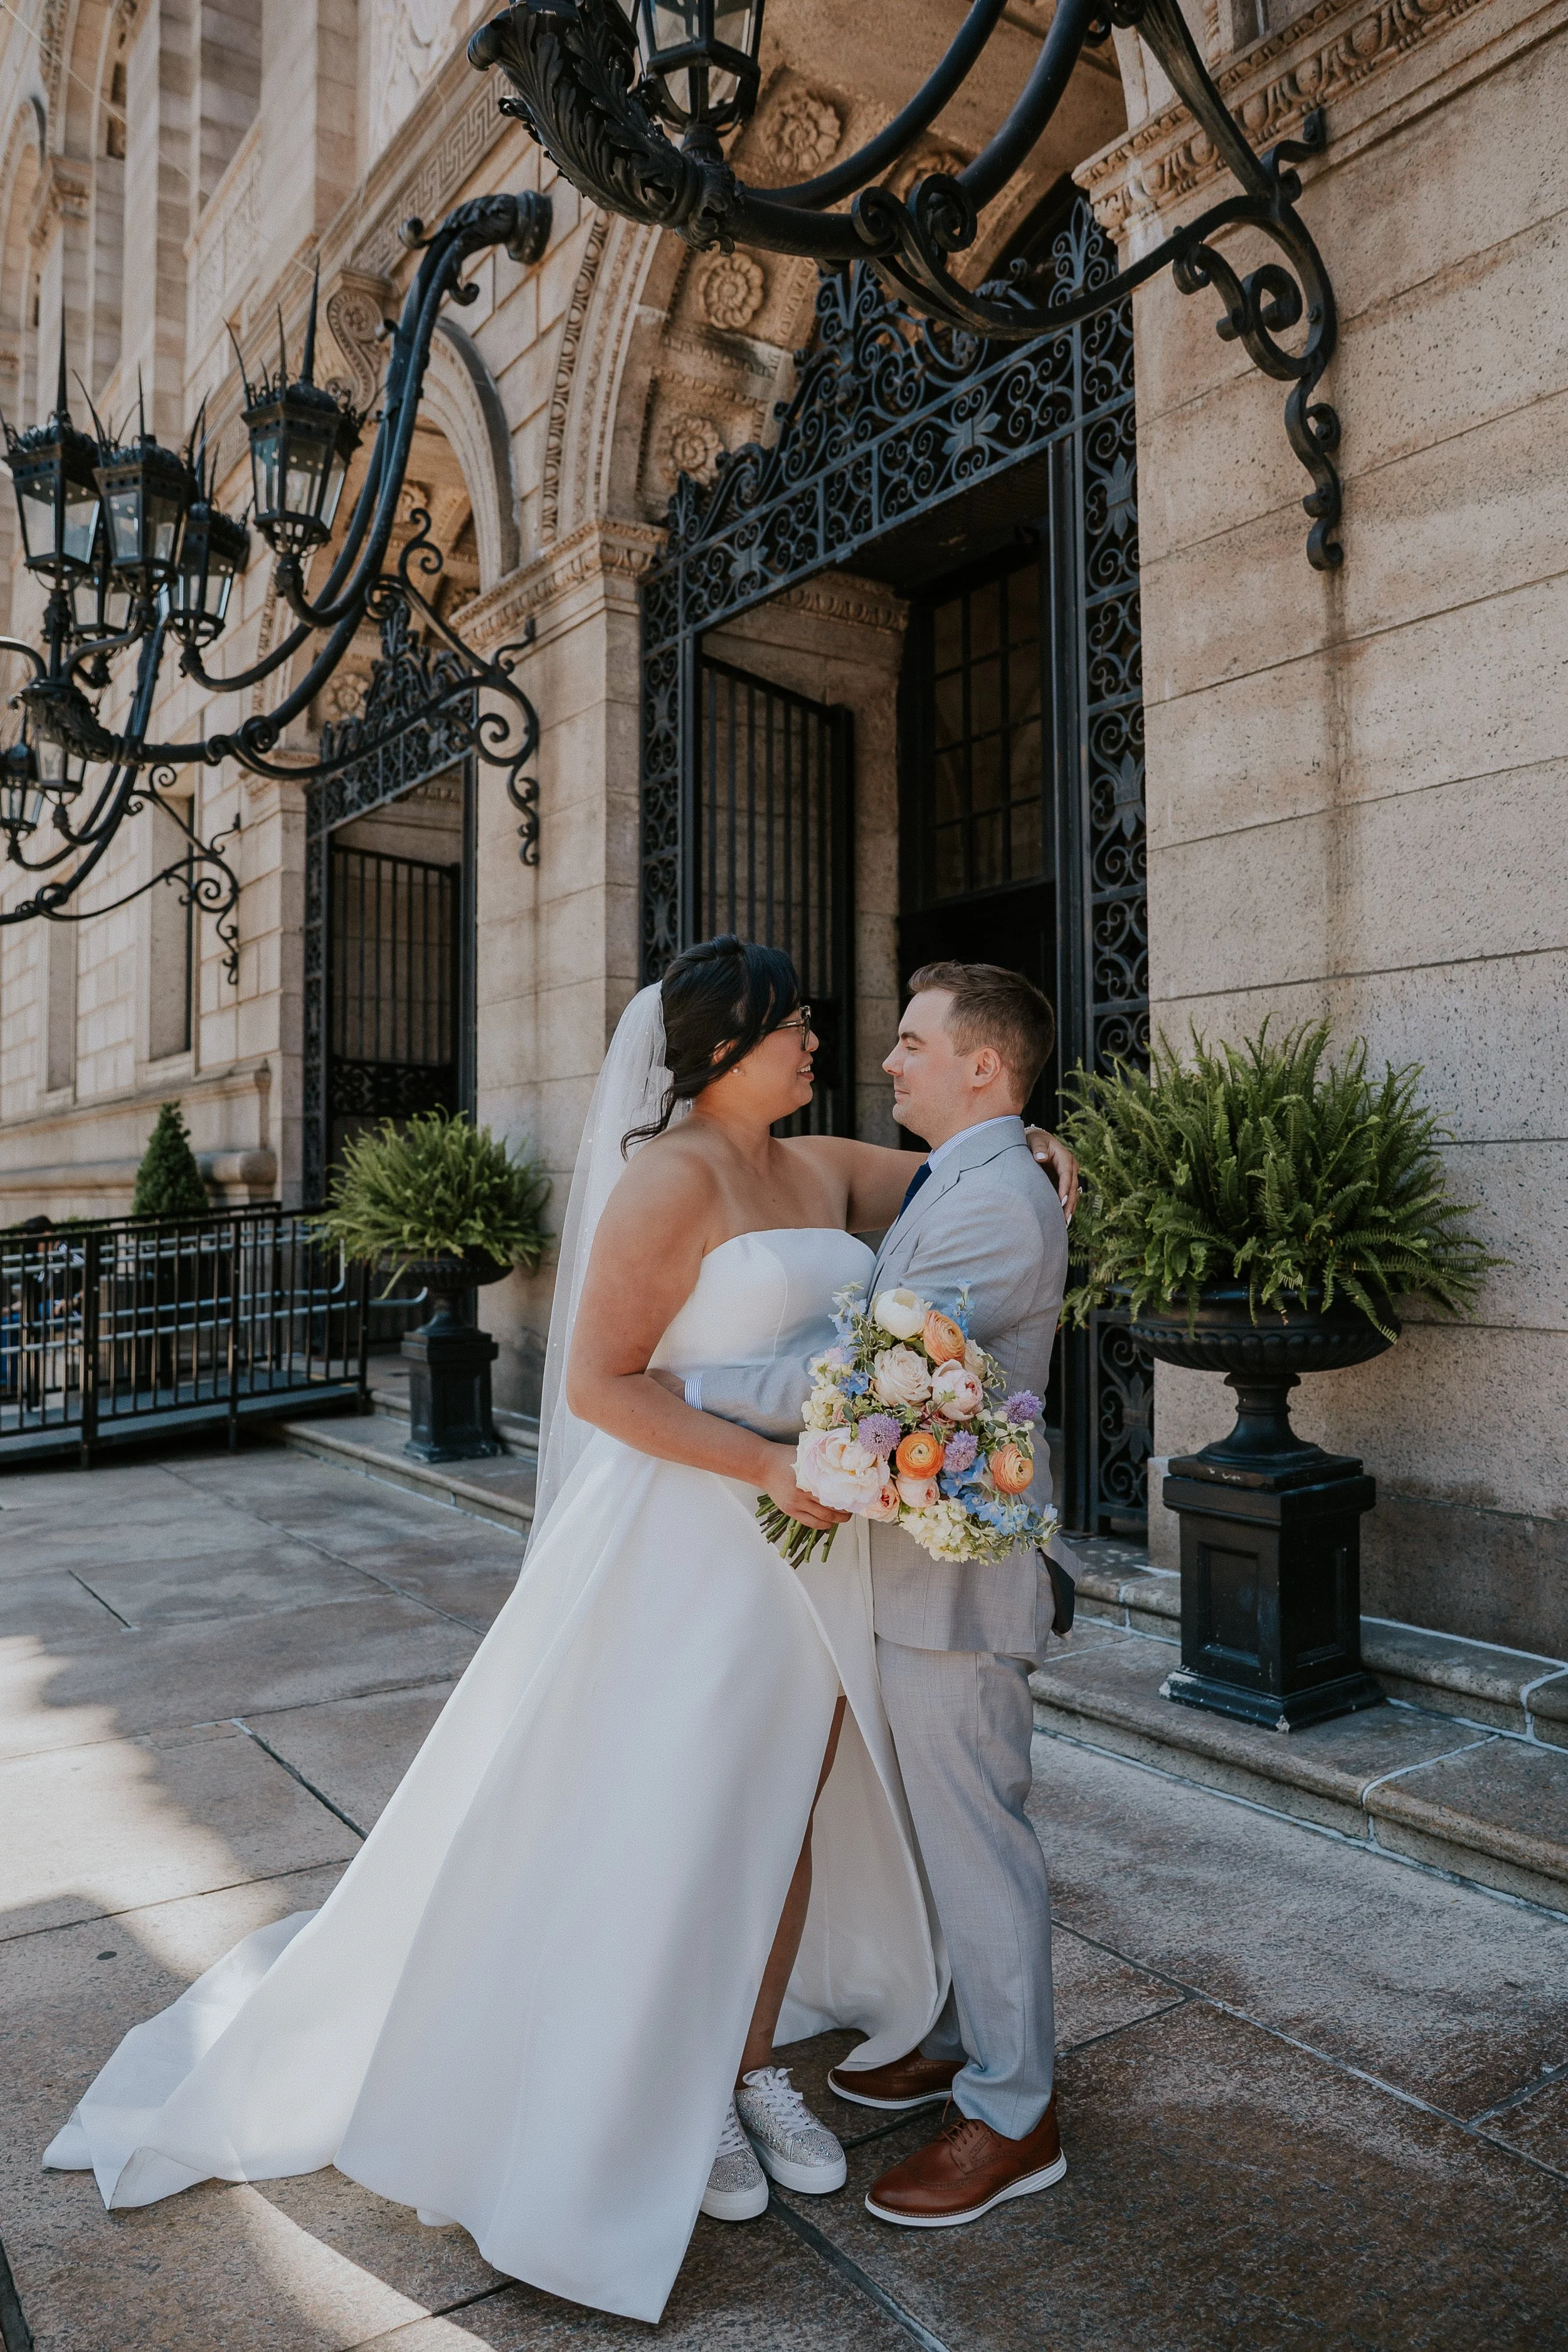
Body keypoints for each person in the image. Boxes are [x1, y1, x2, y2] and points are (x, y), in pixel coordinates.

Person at [43, 938, 1078, 2324]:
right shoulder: (667, 1178)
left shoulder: (817, 1165)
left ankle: (746, 2060)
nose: (823, 1046)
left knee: (775, 1823)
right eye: (796, 1029)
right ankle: (665, 2091)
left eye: (841, 1034)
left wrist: (1031, 1148)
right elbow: (601, 1386)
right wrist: (773, 1464)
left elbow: (947, 1180)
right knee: (675, 1812)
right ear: (722, 1051)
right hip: (703, 1544)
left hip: (815, 1568)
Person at [687, 961, 1074, 2228]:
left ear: (981, 1065)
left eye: (913, 1044)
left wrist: (683, 1385)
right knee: (945, 1834)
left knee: (978, 1838)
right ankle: (970, 2038)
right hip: (910, 1571)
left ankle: (1015, 2115)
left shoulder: (994, 1202)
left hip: (955, 1591)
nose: (887, 1060)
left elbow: (863, 1377)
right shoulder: (971, 1172)